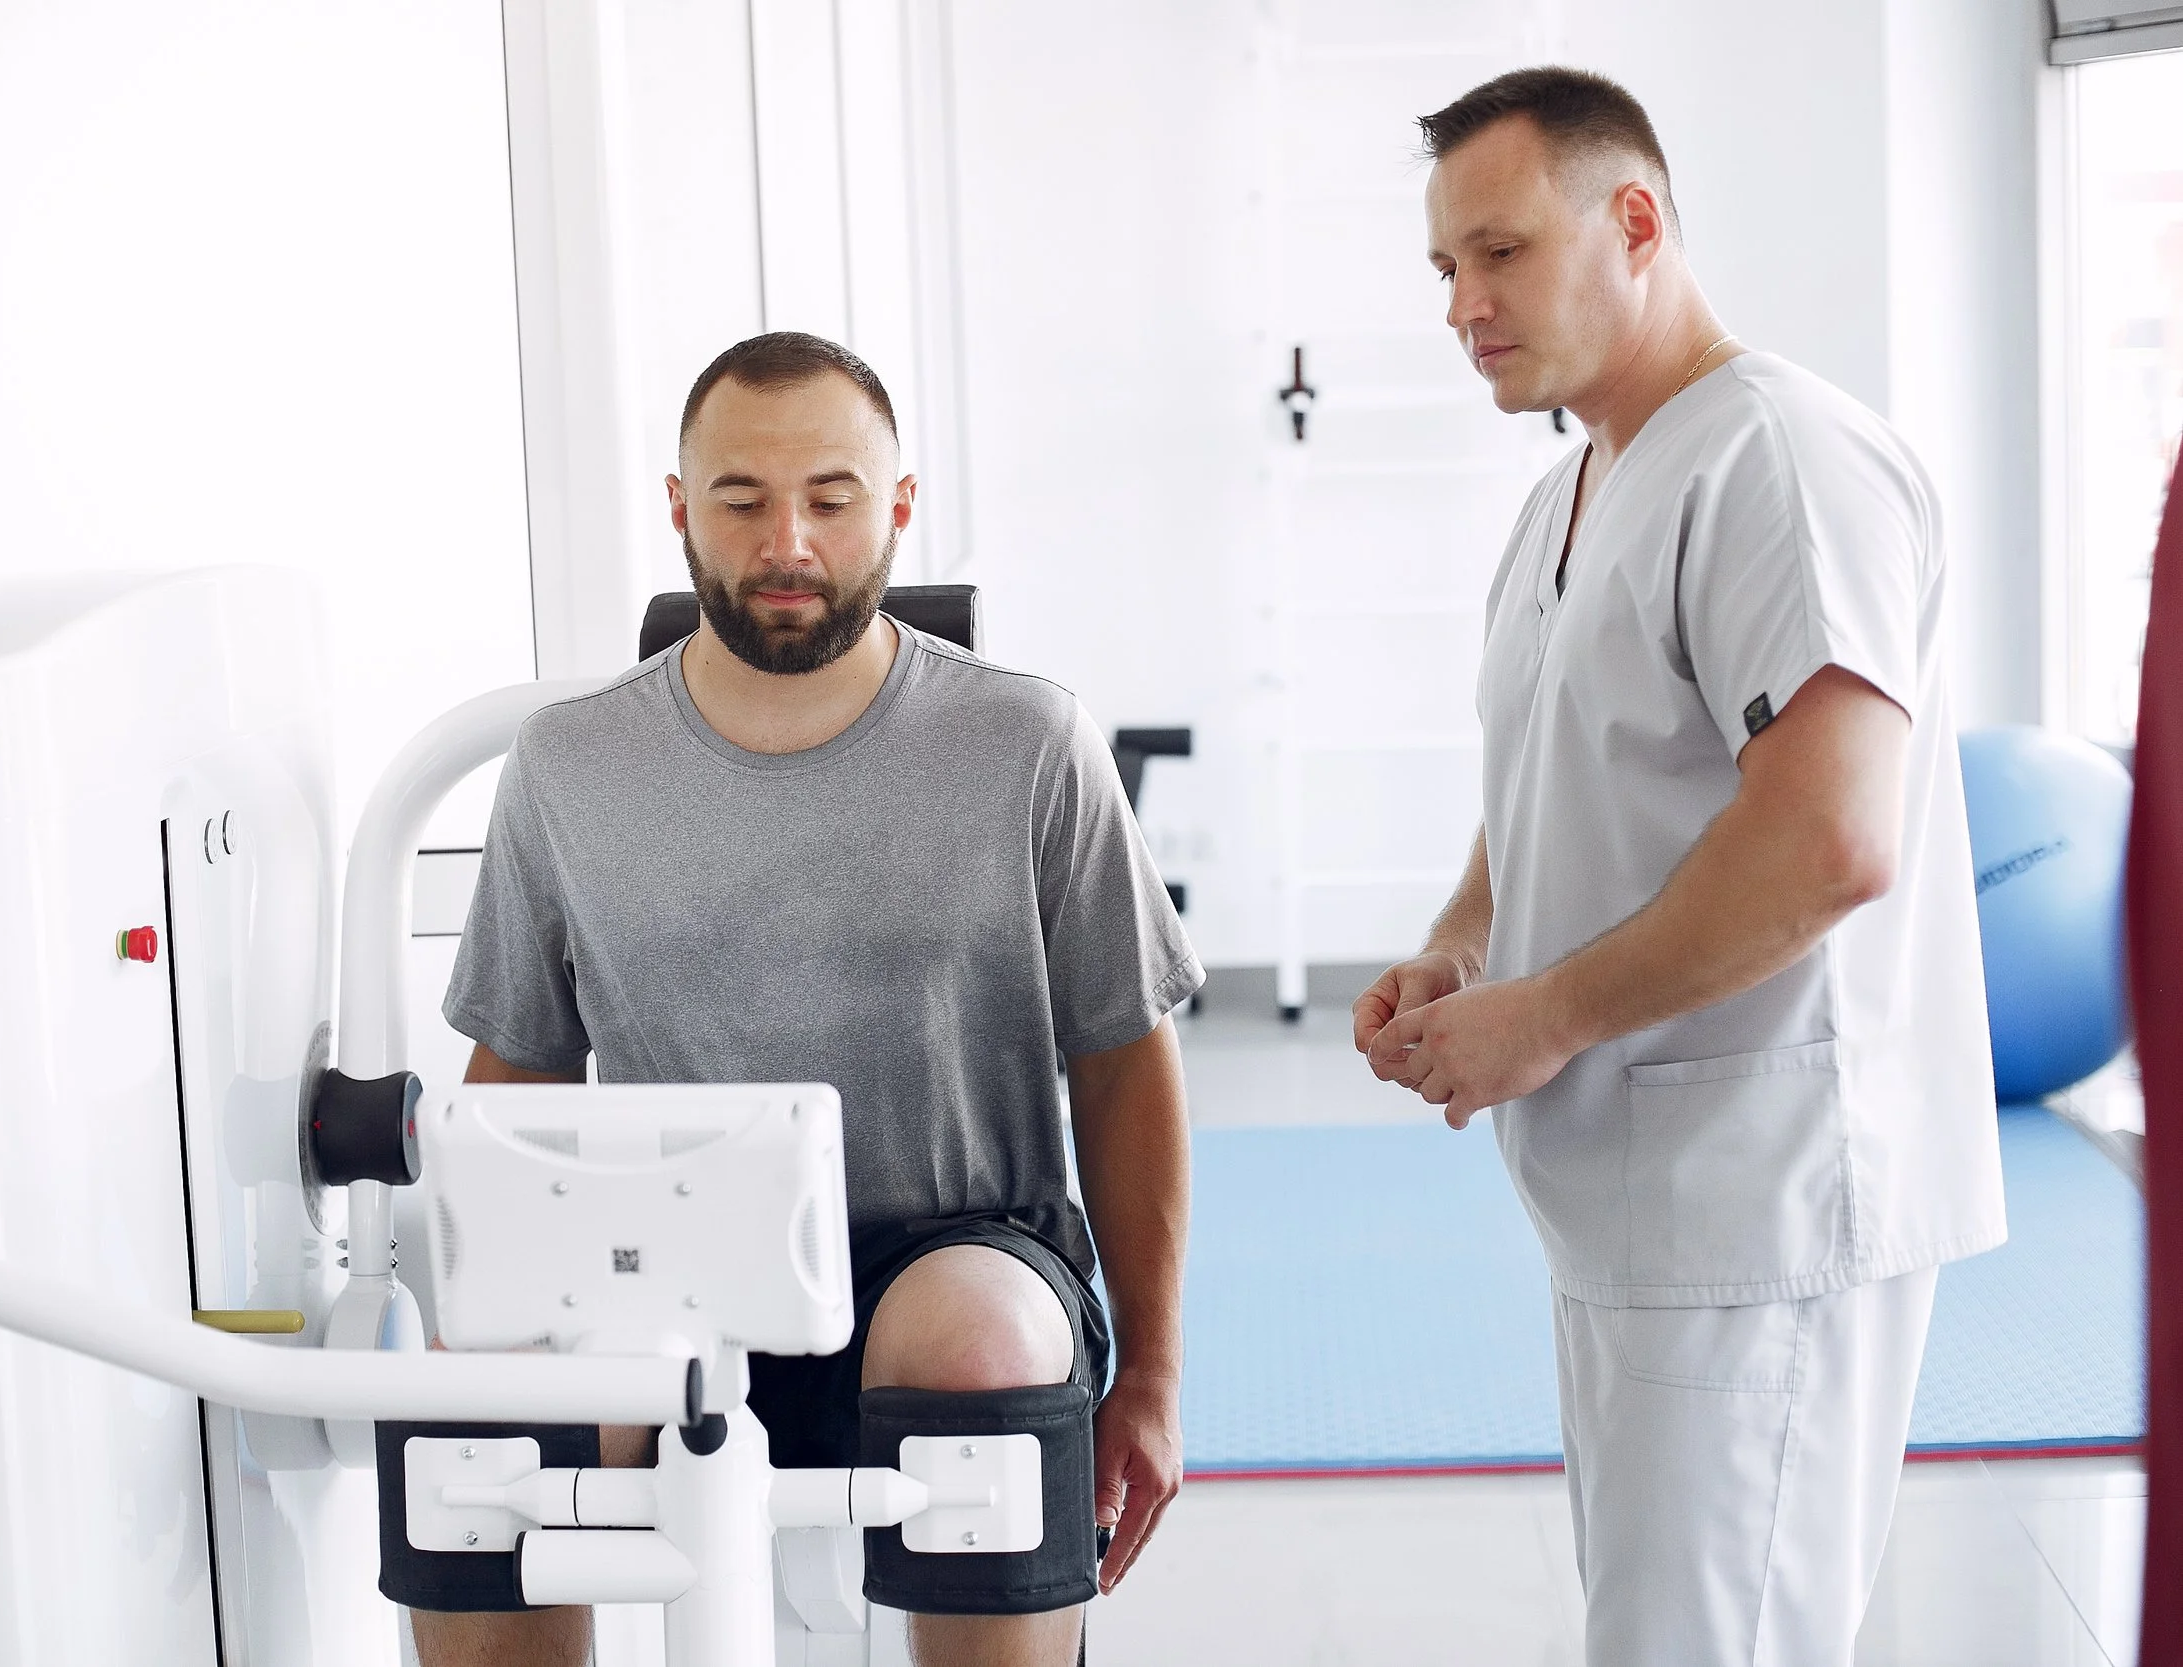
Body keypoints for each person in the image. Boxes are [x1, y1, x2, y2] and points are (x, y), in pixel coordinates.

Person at [397, 331, 1198, 1667]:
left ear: (896, 506)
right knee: (476, 1419)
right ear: (679, 511)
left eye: (830, 497)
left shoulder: (1029, 744)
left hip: (964, 1248)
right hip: (662, 1261)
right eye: (742, 499)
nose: (787, 540)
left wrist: (1156, 1379)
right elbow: (517, 1094)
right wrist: (468, 1345)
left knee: (976, 1337)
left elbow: (1124, 1063)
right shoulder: (569, 768)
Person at [1354, 68, 2006, 1667]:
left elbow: (1831, 834)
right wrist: (1464, 941)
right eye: (1445, 268)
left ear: (1635, 221)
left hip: (1759, 1200)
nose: (1464, 304)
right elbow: (1561, 770)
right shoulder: (1571, 488)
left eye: (1498, 253)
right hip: (1637, 1211)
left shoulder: (1777, 462)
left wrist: (1549, 1016)